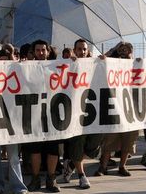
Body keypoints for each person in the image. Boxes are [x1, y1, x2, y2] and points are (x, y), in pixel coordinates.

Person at [0, 50, 29, 194]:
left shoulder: (16, 73)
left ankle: (18, 186)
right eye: (0, 60)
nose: (3, 63)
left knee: (13, 155)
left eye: (6, 60)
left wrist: (25, 67)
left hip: (12, 119)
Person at [62, 39, 101, 190]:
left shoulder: (94, 64)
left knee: (94, 146)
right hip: (74, 112)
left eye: (84, 49)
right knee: (77, 143)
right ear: (74, 50)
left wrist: (105, 61)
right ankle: (81, 175)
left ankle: (71, 163)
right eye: (79, 49)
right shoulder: (69, 65)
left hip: (92, 111)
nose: (82, 52)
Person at [95, 42, 138, 177]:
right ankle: (103, 167)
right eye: (121, 49)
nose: (123, 52)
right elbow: (100, 60)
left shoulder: (135, 65)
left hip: (130, 109)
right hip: (114, 106)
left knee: (128, 140)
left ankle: (122, 166)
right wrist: (112, 50)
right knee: (109, 140)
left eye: (126, 50)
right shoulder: (110, 63)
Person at [26, 39, 61, 192]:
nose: (41, 52)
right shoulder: (26, 68)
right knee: (35, 150)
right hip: (34, 116)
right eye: (38, 50)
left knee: (53, 150)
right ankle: (35, 179)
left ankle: (51, 179)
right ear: (34, 52)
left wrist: (75, 62)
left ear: (48, 51)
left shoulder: (57, 67)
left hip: (53, 115)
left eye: (43, 50)